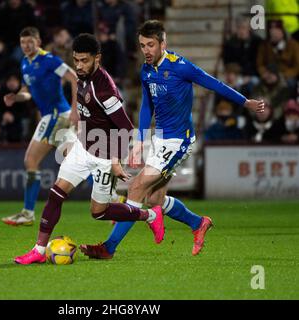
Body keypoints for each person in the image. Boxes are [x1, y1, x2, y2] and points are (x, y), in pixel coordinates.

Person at [80, 20, 265, 259]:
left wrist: (245, 102)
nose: (146, 50)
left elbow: (214, 84)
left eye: (151, 45)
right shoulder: (146, 70)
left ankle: (109, 247)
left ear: (162, 43)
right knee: (154, 198)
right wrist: (139, 141)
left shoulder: (180, 67)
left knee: (136, 187)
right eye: (142, 45)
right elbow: (147, 105)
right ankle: (198, 223)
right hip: (160, 139)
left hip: (180, 141)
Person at [13, 33, 164, 265]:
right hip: (83, 148)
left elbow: (125, 126)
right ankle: (38, 251)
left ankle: (150, 214)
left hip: (104, 156)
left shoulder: (104, 90)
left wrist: (115, 160)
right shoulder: (82, 79)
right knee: (55, 195)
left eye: (84, 60)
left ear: (97, 58)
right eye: (76, 60)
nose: (79, 65)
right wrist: (78, 138)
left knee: (99, 213)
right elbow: (87, 115)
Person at [1, 27, 79, 226]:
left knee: (31, 159)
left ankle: (27, 213)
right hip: (50, 116)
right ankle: (112, 198)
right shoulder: (25, 63)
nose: (26, 46)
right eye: (23, 43)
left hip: (56, 115)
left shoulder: (50, 60)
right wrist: (17, 97)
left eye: (30, 42)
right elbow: (28, 91)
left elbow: (74, 78)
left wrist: (75, 109)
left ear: (39, 41)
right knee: (76, 158)